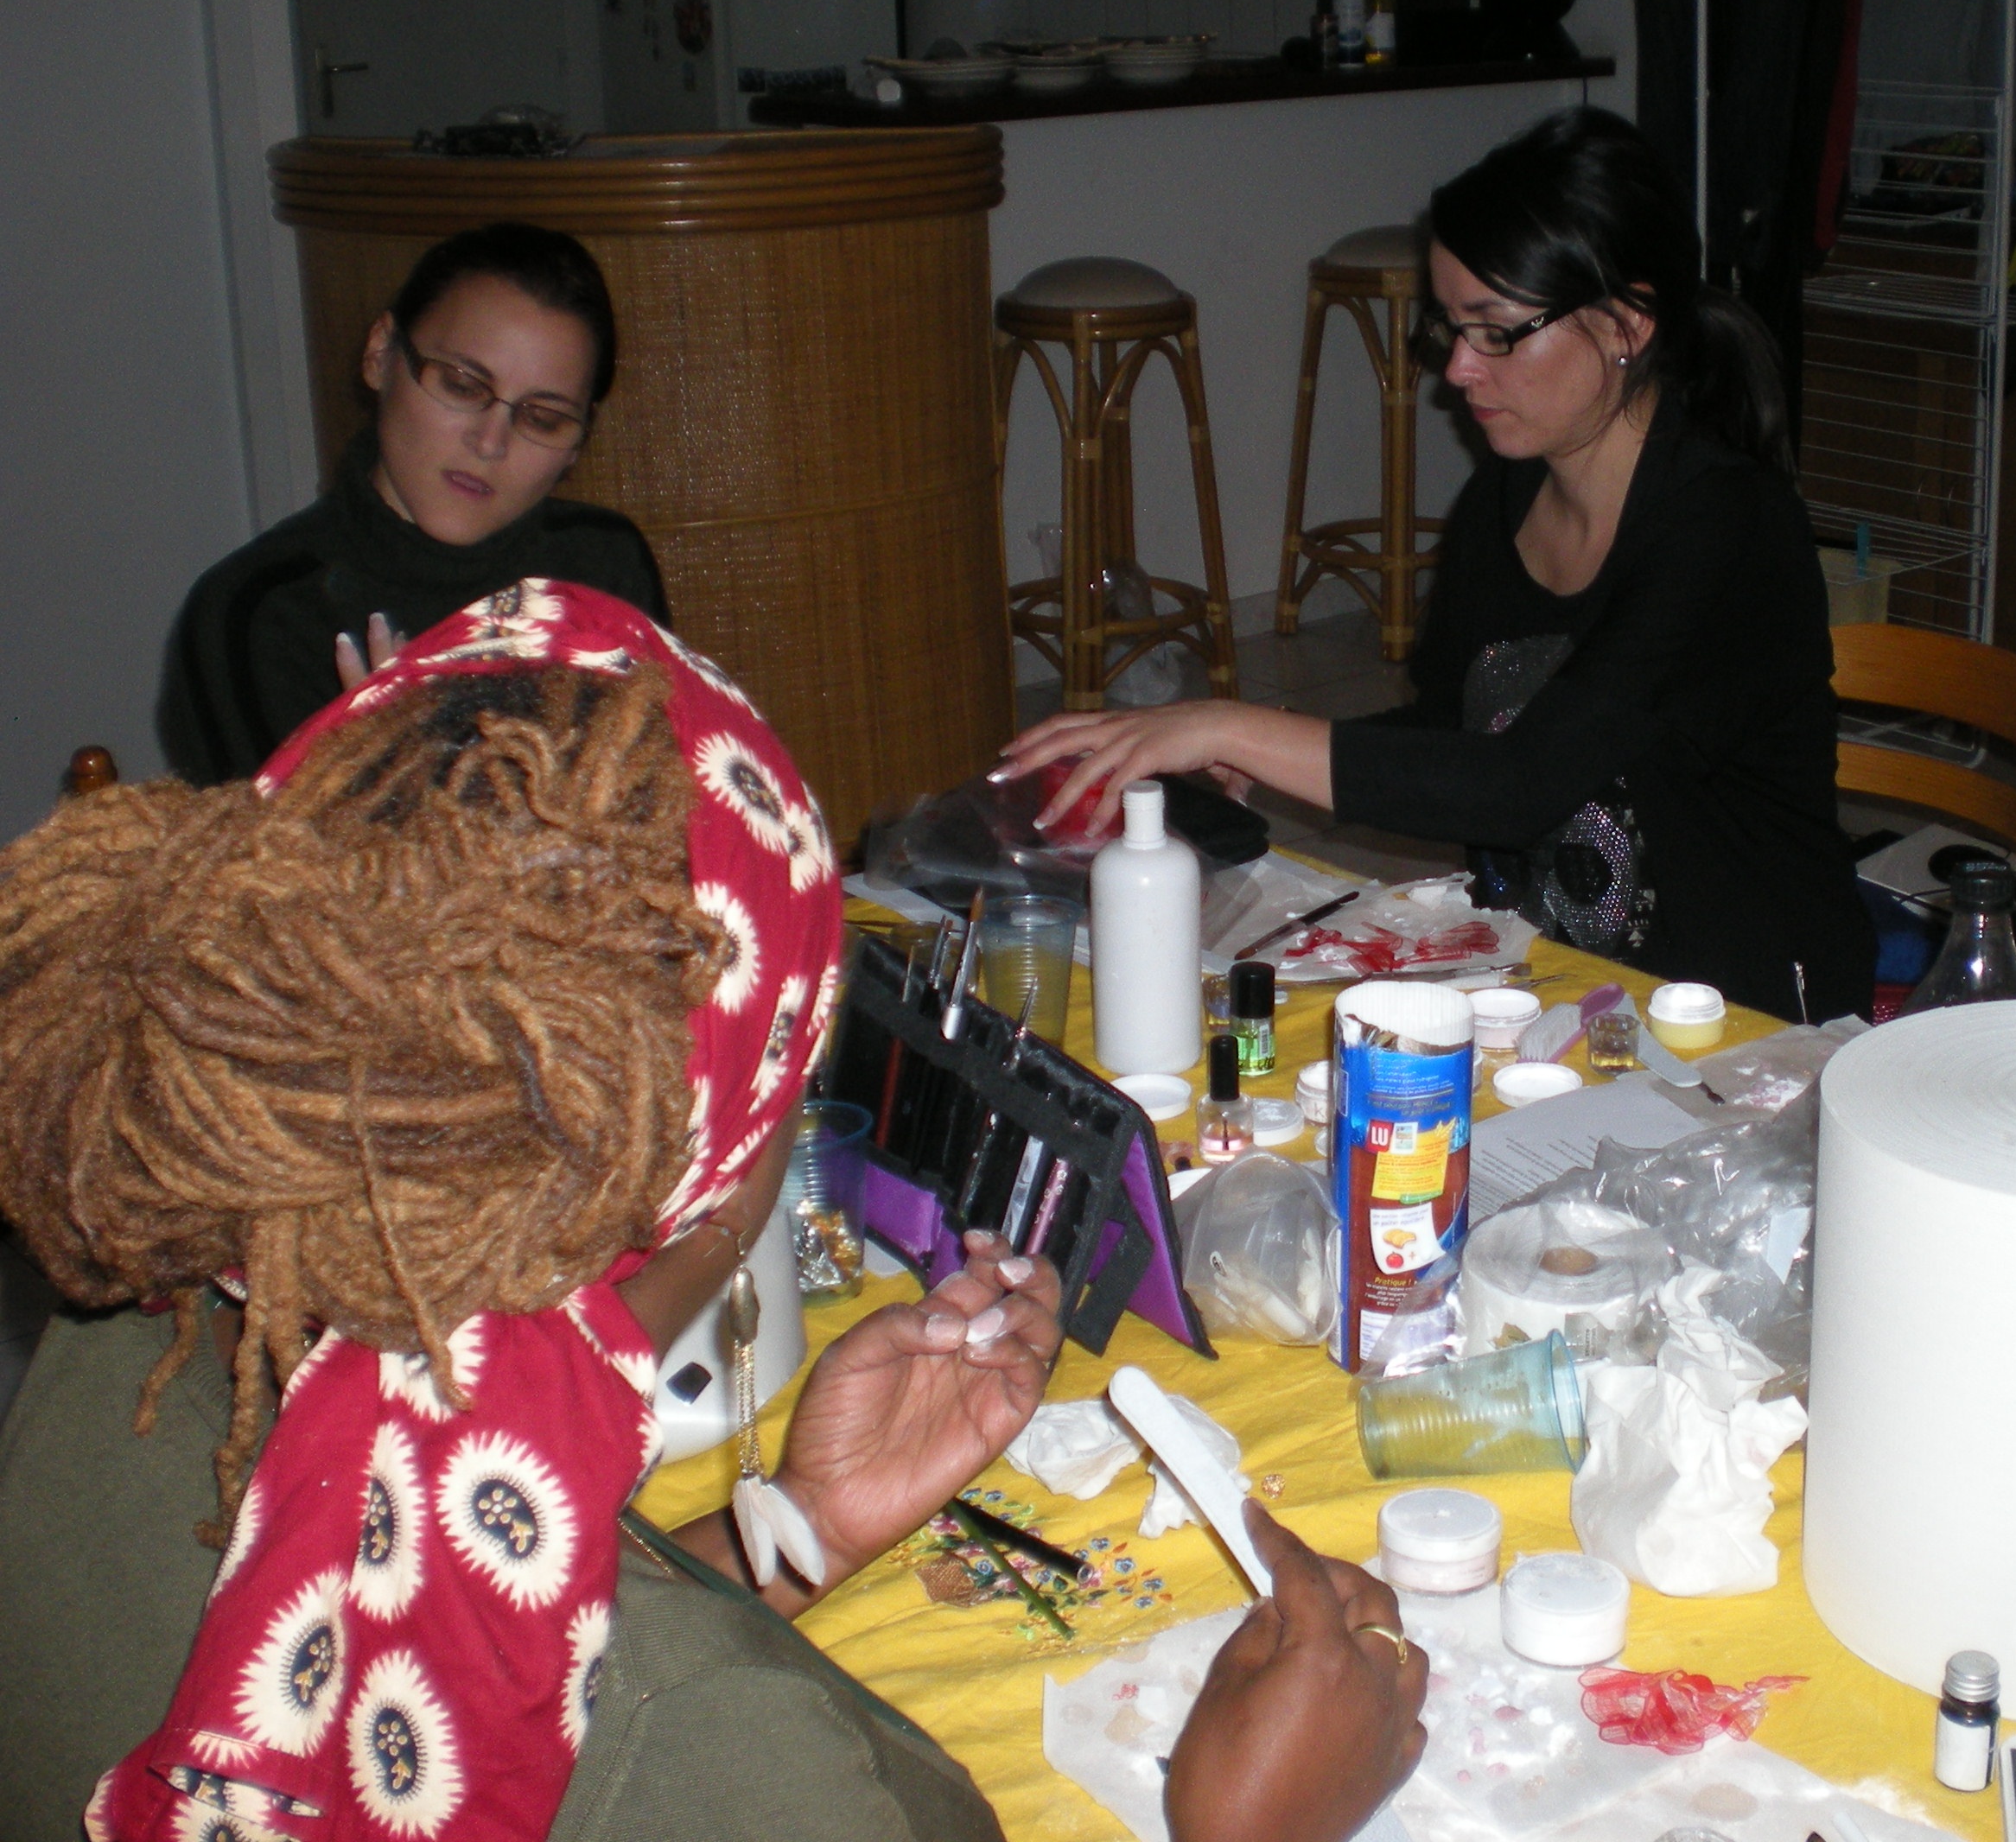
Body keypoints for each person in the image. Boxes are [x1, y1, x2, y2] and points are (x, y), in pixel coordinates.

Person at [0, 583, 1426, 1842]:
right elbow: (641, 1715)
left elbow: (506, 1596)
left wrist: (792, 1529)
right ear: (728, 1158)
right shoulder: (760, 1777)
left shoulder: (122, 1359)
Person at [996, 108, 1873, 1021]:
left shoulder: (1727, 527)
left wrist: (1229, 725)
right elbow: (1457, 726)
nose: (1457, 369)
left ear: (1625, 324)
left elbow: (1518, 785)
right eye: (1451, 328)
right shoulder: (1506, 498)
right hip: (1570, 989)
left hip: (1745, 1014)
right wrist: (1265, 744)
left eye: (1496, 331)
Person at [157, 222, 669, 785]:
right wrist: (383, 780)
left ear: (577, 444)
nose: (490, 443)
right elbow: (257, 842)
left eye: (543, 419)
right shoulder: (260, 613)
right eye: (462, 386)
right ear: (381, 353)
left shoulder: (602, 567)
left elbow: (669, 808)